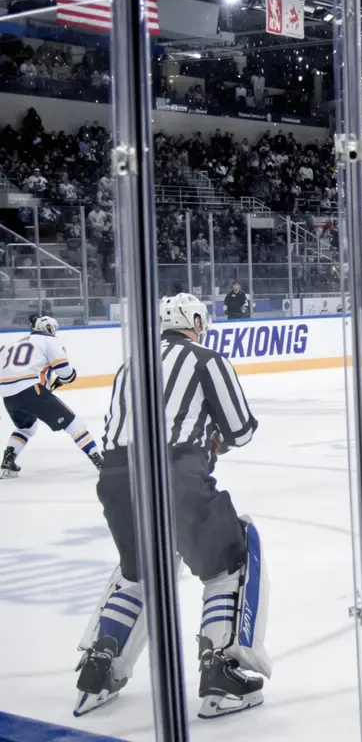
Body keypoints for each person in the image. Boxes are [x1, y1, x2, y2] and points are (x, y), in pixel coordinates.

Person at [77, 294, 269, 719]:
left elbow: (116, 429)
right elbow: (239, 429)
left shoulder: (131, 365)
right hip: (176, 476)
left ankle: (99, 666)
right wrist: (218, 440)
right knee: (230, 561)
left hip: (116, 479)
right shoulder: (206, 359)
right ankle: (222, 669)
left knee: (141, 570)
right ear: (196, 320)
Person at [0, 315, 102, 478]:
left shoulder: (12, 344)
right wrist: (69, 376)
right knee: (74, 424)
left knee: (26, 427)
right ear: (48, 328)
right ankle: (99, 461)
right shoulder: (49, 341)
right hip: (31, 390)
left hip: (7, 395)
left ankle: (8, 462)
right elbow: (66, 373)